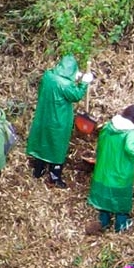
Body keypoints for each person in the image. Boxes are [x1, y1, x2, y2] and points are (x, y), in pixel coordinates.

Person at [88, 103, 134, 232]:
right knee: (120, 199)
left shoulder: (108, 126)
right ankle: (121, 225)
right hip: (120, 173)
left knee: (105, 198)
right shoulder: (130, 133)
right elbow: (131, 149)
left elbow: (101, 143)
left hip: (103, 171)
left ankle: (104, 221)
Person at [26, 55, 89, 184]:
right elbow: (76, 95)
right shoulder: (65, 85)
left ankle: (38, 170)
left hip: (44, 116)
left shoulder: (48, 76)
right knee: (57, 146)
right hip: (59, 119)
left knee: (42, 141)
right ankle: (55, 176)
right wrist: (83, 83)